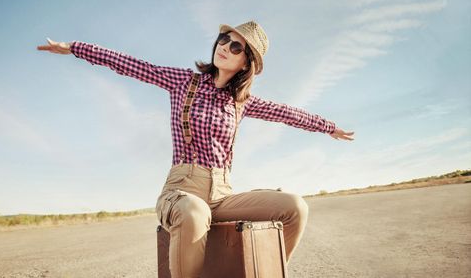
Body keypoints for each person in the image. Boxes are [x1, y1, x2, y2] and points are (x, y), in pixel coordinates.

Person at [37, 20, 354, 278]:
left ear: (248, 62)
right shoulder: (182, 82)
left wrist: (328, 127)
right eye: (222, 40)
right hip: (181, 192)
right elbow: (128, 64)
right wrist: (75, 48)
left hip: (222, 195)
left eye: (235, 46)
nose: (224, 47)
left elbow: (288, 113)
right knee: (194, 211)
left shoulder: (240, 103)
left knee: (295, 207)